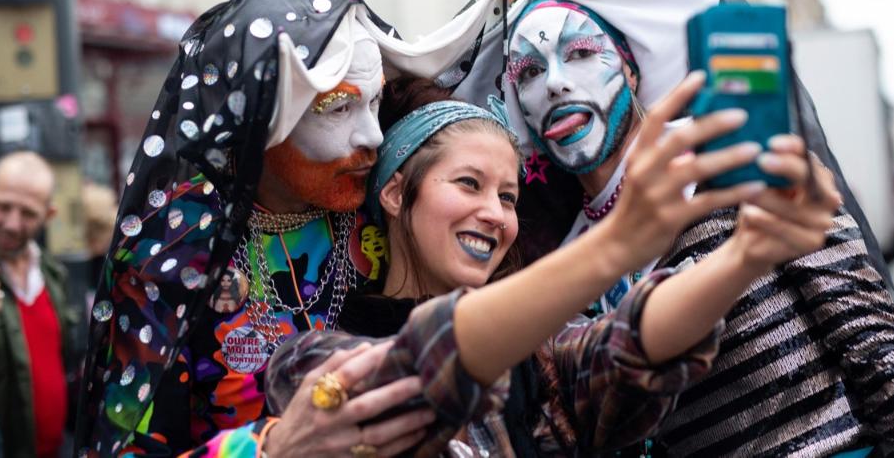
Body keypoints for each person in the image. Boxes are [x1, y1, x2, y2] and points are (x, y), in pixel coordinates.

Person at [493, 0, 894, 456]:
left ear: (631, 69)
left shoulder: (744, 176)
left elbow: (882, 354)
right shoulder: (563, 263)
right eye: (528, 70)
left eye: (578, 55)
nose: (553, 83)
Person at [264, 74, 843, 456]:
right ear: (394, 194)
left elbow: (625, 345)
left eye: (510, 198)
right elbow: (426, 364)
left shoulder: (534, 359)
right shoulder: (312, 359)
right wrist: (618, 242)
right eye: (469, 184)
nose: (495, 215)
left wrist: (746, 255)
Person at [76, 0, 509, 457]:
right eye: (338, 106)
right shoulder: (175, 246)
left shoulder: (380, 207)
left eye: (374, 102)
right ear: (264, 112)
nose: (371, 135)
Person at [0, 151, 83, 458]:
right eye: (3, 206)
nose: (11, 223)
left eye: (28, 213)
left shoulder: (52, 275)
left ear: (48, 216)